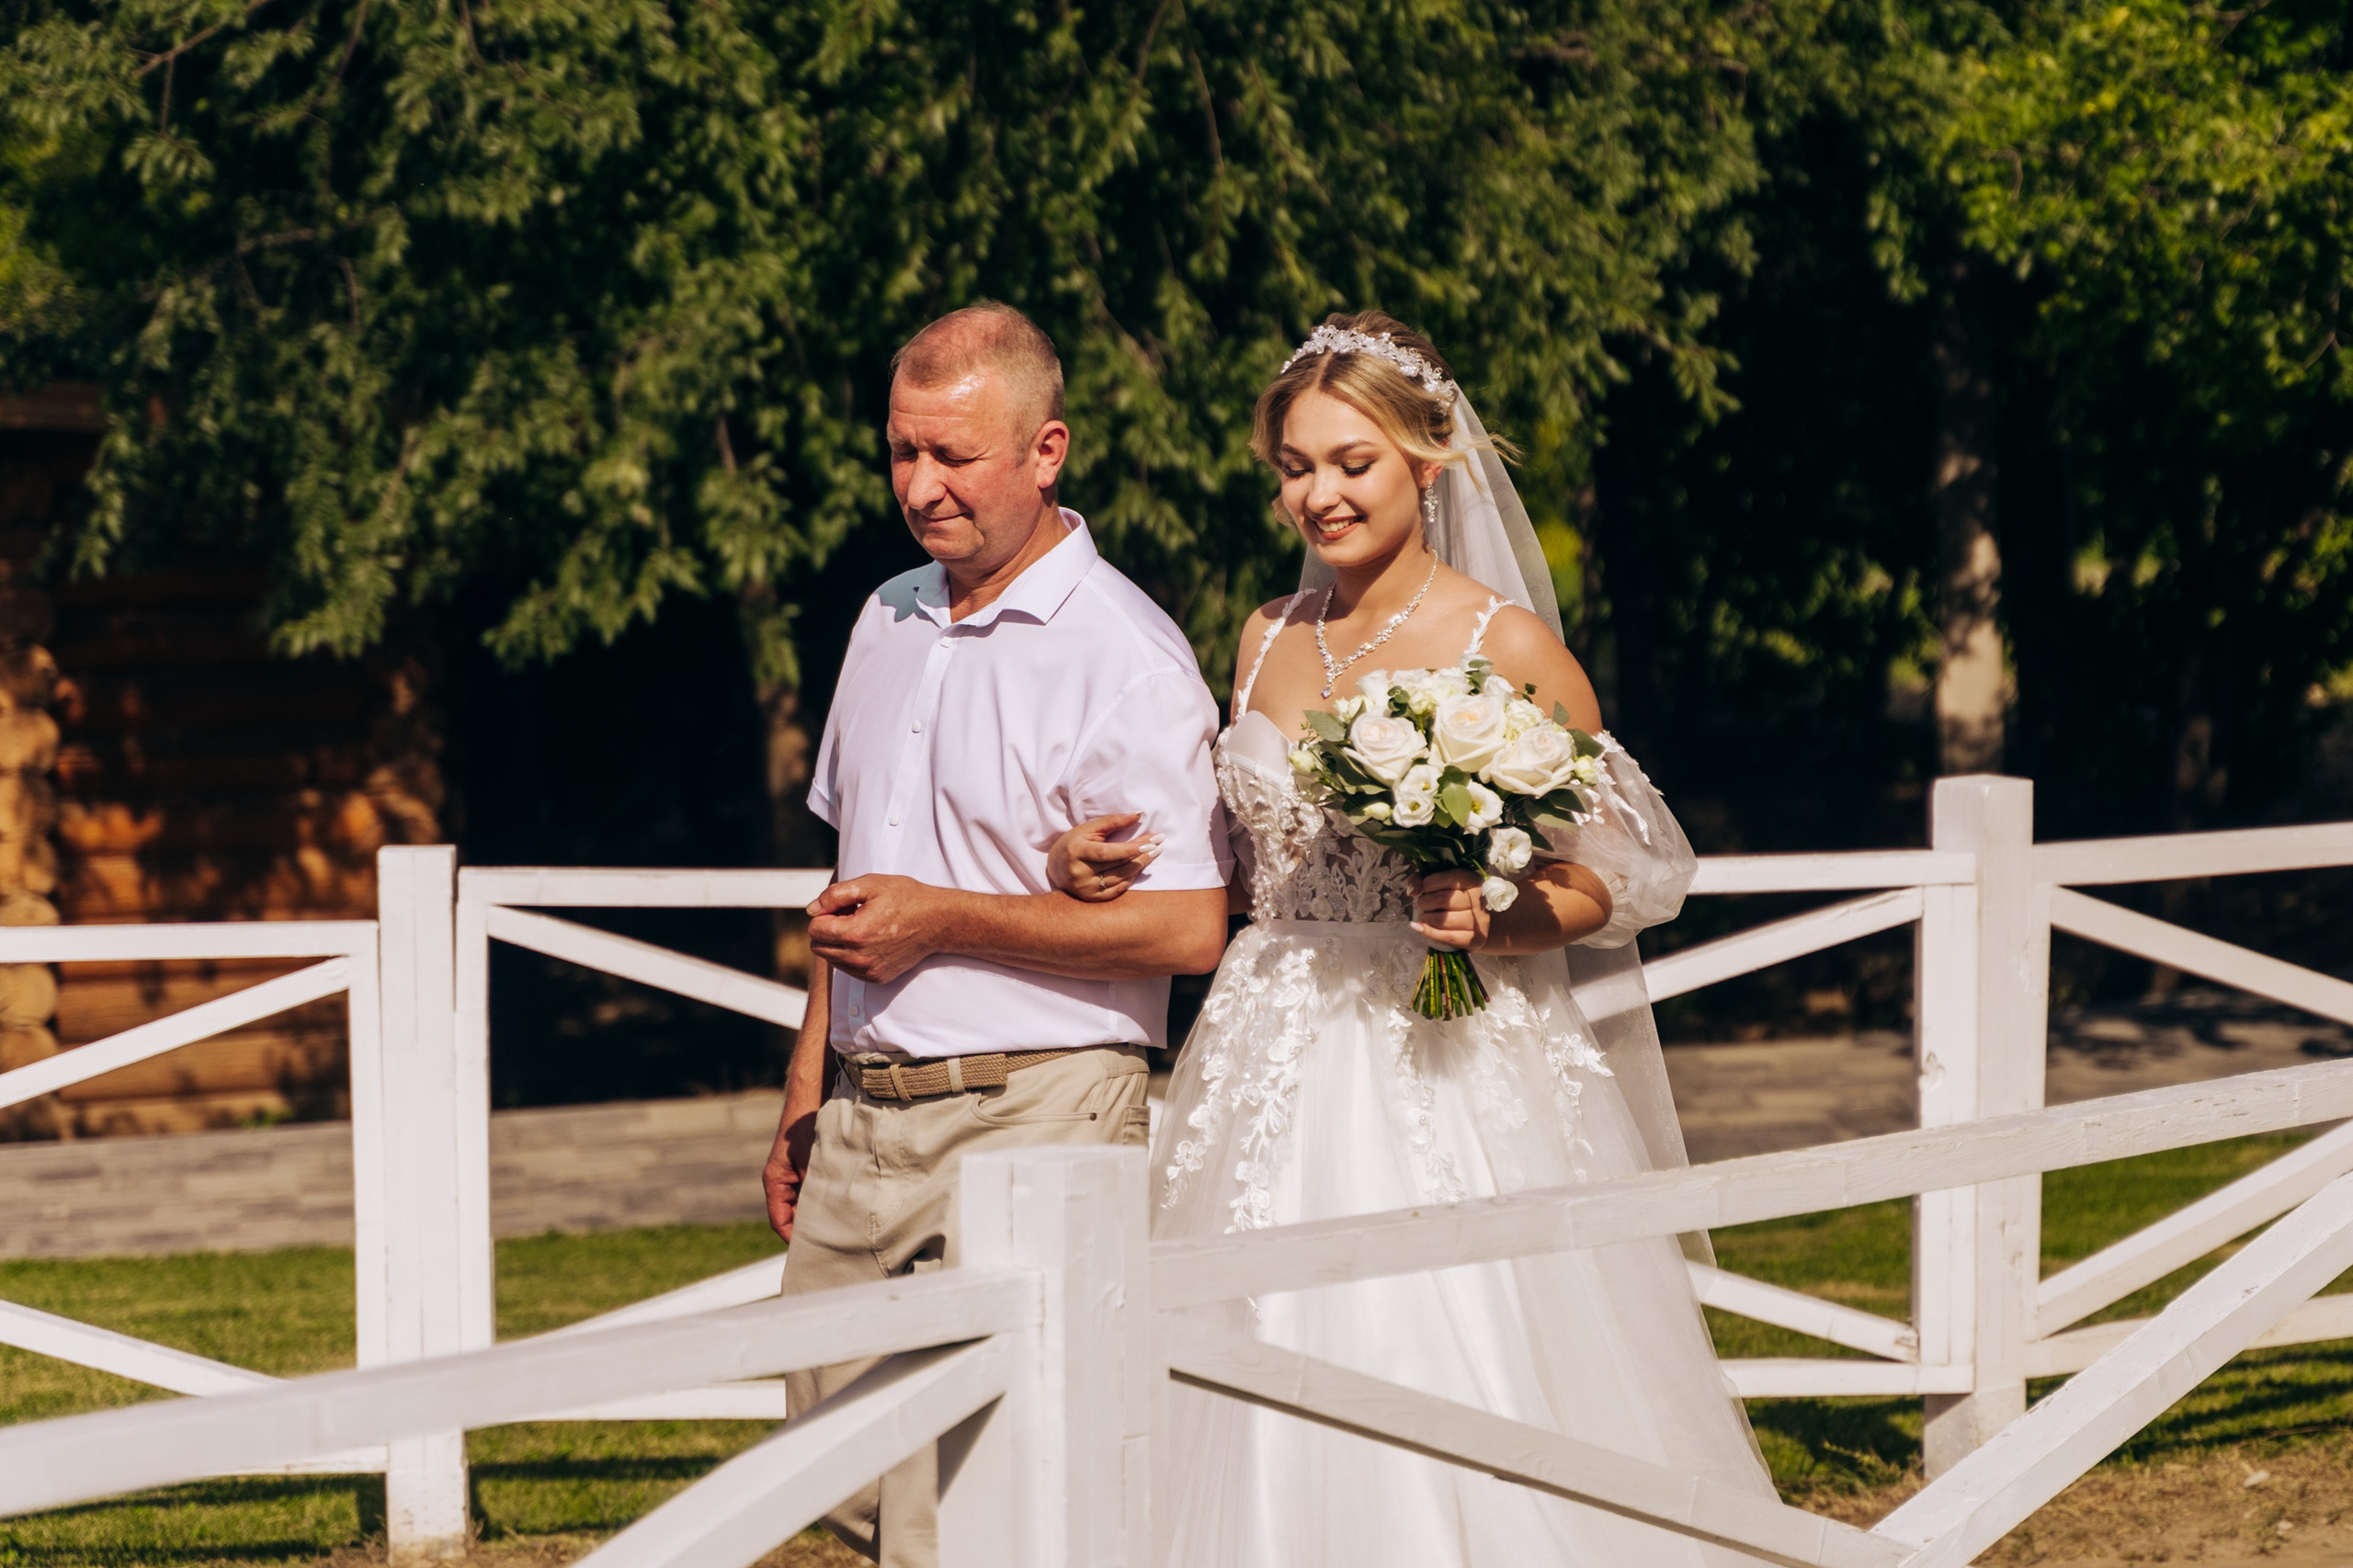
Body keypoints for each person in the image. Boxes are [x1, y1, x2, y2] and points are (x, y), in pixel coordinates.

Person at [1044, 310, 1777, 1565]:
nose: (1317, 495)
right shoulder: (1264, 635)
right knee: (1242, 1343)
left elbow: (1622, 875)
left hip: (1439, 1057)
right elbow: (1242, 854)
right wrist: (1083, 867)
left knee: (1444, 1343)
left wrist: (1492, 913)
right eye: (1294, 468)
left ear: (1426, 463)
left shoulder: (1506, 646)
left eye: (1350, 462)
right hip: (1268, 1035)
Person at [760, 301, 1231, 1568]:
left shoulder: (1125, 656)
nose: (920, 487)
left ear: (1046, 448)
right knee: (825, 1452)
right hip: (864, 1109)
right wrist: (811, 1077)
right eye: (902, 451)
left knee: (970, 1513)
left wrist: (948, 920)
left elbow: (1189, 924)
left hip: (1039, 1108)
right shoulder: (884, 618)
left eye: (952, 456)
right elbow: (853, 880)